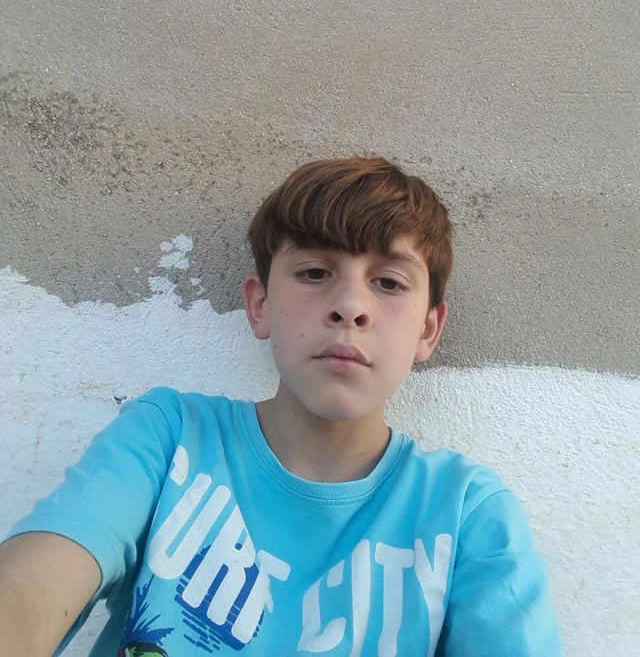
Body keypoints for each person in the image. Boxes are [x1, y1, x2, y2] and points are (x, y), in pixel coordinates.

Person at [0, 156, 562, 656]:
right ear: (261, 304)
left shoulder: (465, 512)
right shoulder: (167, 437)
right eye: (315, 273)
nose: (350, 306)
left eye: (389, 283)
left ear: (429, 329)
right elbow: (29, 587)